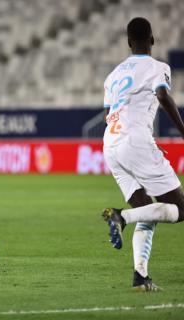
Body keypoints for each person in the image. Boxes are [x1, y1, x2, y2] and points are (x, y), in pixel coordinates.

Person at [101, 17, 184, 291]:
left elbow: (107, 115)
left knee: (147, 212)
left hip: (111, 144)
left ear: (128, 42)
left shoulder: (113, 75)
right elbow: (162, 95)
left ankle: (140, 276)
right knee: (180, 209)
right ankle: (120, 217)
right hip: (134, 141)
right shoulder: (158, 67)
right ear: (152, 40)